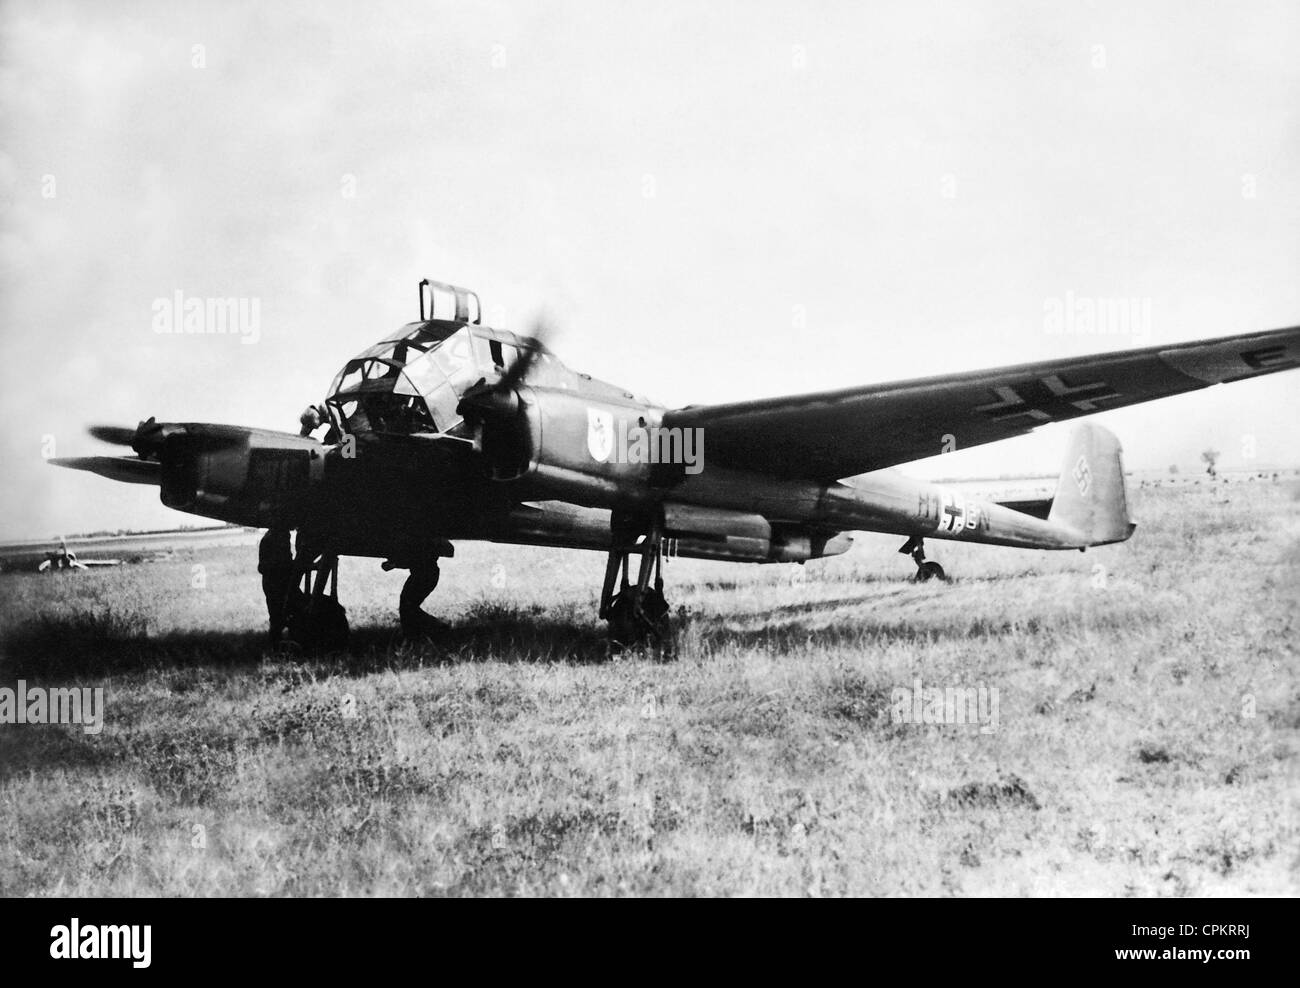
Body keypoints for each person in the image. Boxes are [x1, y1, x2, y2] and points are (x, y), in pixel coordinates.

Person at [258, 528, 295, 646]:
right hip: (276, 583)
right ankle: (277, 645)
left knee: (277, 616)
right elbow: (282, 563)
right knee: (278, 616)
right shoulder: (278, 536)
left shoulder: (274, 535)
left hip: (273, 582)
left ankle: (276, 644)